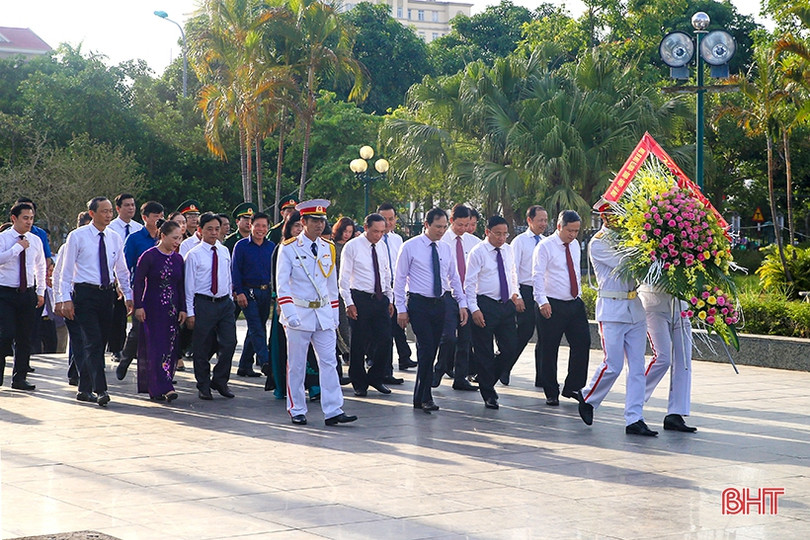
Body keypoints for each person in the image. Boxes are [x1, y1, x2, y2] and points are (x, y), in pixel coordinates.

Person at [276, 199, 357, 426]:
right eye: (314, 221)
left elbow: (331, 285)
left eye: (322, 221)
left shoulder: (327, 247)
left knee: (329, 361)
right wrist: (290, 313)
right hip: (299, 313)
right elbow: (282, 284)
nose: (320, 225)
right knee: (297, 364)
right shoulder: (289, 247)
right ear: (303, 221)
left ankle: (333, 410)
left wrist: (333, 316)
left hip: (322, 313)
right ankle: (297, 408)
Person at [578, 211, 656, 436]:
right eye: (614, 214)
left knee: (638, 368)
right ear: (605, 217)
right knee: (613, 365)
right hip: (612, 309)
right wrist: (646, 245)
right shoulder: (598, 243)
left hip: (635, 310)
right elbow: (626, 264)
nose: (620, 219)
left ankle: (635, 418)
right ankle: (587, 397)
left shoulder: (630, 239)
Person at [56, 197, 132, 406]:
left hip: (106, 295)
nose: (108, 215)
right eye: (104, 211)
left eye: (110, 212)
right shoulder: (77, 236)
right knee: (93, 341)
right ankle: (101, 389)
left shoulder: (114, 237)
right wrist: (64, 299)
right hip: (84, 294)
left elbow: (121, 269)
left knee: (100, 343)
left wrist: (128, 295)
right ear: (92, 213)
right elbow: (66, 271)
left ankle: (84, 389)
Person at [394, 207, 468, 413]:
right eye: (437, 226)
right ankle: (425, 395)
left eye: (445, 227)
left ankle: (420, 395)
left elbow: (454, 277)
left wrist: (461, 303)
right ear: (426, 225)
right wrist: (400, 308)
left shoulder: (445, 248)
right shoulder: (410, 247)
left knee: (433, 348)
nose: (441, 231)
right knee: (426, 349)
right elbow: (400, 279)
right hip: (419, 304)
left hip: (441, 303)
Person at [532, 210, 590, 406]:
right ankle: (551, 390)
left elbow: (573, 270)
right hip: (552, 303)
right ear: (559, 227)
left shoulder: (574, 246)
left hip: (573, 303)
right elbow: (537, 275)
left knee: (582, 343)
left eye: (576, 231)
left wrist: (579, 295)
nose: (573, 235)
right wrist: (542, 301)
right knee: (549, 348)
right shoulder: (545, 246)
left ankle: (573, 385)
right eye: (569, 230)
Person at [465, 215, 523, 409]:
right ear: (487, 232)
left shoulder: (507, 250)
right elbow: (470, 283)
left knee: (510, 348)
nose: (501, 238)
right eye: (497, 234)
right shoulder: (478, 252)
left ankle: (485, 377)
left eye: (505, 234)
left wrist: (516, 294)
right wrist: (474, 309)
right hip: (485, 304)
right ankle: (488, 393)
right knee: (484, 352)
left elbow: (512, 274)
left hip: (505, 304)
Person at [339, 213, 394, 397]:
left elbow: (386, 273)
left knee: (386, 339)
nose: (378, 235)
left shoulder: (382, 246)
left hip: (379, 298)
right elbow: (344, 278)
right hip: (359, 298)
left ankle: (376, 377)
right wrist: (349, 303)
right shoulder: (352, 247)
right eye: (375, 231)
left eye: (381, 231)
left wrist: (389, 298)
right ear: (365, 227)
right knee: (359, 343)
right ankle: (359, 382)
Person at [184, 212, 237, 400]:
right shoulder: (194, 255)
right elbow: (189, 286)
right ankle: (203, 384)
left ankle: (220, 380)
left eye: (217, 228)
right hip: (204, 303)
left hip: (224, 303)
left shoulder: (223, 251)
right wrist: (190, 312)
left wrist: (230, 297)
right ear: (200, 230)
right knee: (202, 346)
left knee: (230, 342)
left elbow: (227, 276)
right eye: (209, 229)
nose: (214, 233)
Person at [131, 220, 186, 402]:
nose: (177, 242)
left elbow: (181, 286)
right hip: (153, 307)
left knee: (170, 346)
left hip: (172, 308)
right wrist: (138, 306)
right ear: (163, 236)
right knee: (155, 346)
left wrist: (183, 309)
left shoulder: (178, 259)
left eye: (180, 238)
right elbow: (138, 282)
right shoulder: (149, 256)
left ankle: (161, 384)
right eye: (174, 238)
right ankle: (164, 386)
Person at [0, 202, 46, 390]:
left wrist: (40, 291)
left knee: (25, 336)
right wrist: (17, 248)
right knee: (6, 333)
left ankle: (20, 377)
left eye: (31, 218)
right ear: (14, 219)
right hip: (5, 293)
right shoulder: (4, 238)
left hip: (27, 293)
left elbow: (41, 266)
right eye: (25, 218)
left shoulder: (35, 240)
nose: (29, 222)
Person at [116, 201, 164, 380]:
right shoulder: (135, 239)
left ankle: (159, 370)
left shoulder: (164, 237)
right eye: (155, 216)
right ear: (145, 218)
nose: (159, 219)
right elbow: (126, 266)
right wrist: (127, 291)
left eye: (161, 216)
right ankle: (126, 359)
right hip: (141, 289)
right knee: (138, 330)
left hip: (161, 290)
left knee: (160, 331)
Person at [433, 204, 479, 391]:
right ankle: (439, 369)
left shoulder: (474, 242)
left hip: (467, 295)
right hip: (448, 295)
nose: (464, 229)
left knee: (465, 339)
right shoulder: (441, 240)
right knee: (449, 336)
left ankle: (460, 377)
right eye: (460, 224)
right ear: (451, 221)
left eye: (467, 224)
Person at [640, 285, 697, 432]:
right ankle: (635, 397)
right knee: (663, 358)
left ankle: (676, 413)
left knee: (683, 360)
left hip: (680, 306)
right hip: (653, 304)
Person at [502, 205, 549, 386]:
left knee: (545, 336)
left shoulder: (546, 242)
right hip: (525, 290)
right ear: (530, 221)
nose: (543, 224)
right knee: (524, 332)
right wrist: (517, 295)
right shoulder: (520, 242)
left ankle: (542, 377)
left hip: (542, 293)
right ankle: (505, 367)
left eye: (545, 220)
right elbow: (512, 271)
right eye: (540, 220)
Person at [232, 211, 276, 379]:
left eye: (264, 226)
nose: (260, 229)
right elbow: (235, 271)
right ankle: (266, 362)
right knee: (257, 327)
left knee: (255, 328)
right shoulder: (241, 246)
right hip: (248, 292)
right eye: (257, 225)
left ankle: (244, 365)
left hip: (265, 292)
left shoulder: (271, 246)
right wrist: (239, 292)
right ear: (251, 226)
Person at [55, 211, 92, 387]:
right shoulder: (68, 246)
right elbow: (59, 275)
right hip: (73, 296)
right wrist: (59, 299)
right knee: (78, 338)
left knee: (85, 339)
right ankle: (79, 374)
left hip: (92, 298)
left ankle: (76, 372)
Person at [378, 202, 415, 378]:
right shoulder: (373, 240)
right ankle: (384, 369)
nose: (388, 223)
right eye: (384, 219)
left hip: (397, 287)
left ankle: (404, 357)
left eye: (391, 219)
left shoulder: (397, 239)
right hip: (380, 289)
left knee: (399, 325)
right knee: (385, 330)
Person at [225, 202, 259, 376]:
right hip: (234, 291)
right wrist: (235, 290)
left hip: (252, 291)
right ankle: (223, 361)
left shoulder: (259, 240)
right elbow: (229, 269)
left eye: (251, 219)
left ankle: (246, 364)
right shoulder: (231, 242)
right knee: (227, 328)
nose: (248, 222)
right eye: (245, 219)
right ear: (237, 221)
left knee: (255, 328)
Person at [108, 193, 143, 361]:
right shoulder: (111, 228)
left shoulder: (138, 228)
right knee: (118, 316)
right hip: (115, 277)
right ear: (118, 208)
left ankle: (133, 348)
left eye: (133, 205)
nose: (131, 208)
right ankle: (116, 348)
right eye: (127, 205)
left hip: (134, 277)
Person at [332, 217, 355, 362]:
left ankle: (349, 350)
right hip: (335, 288)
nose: (346, 234)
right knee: (340, 322)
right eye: (344, 231)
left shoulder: (352, 246)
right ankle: (344, 350)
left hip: (350, 289)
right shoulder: (333, 247)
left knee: (349, 322)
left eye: (350, 232)